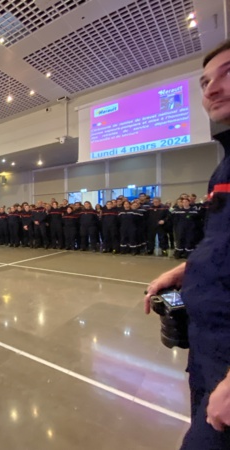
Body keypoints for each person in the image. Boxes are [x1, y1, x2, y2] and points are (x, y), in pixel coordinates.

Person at [144, 40, 230, 449]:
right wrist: (186, 271)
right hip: (209, 352)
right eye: (205, 81)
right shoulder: (223, 170)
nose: (211, 89)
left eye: (228, 73)